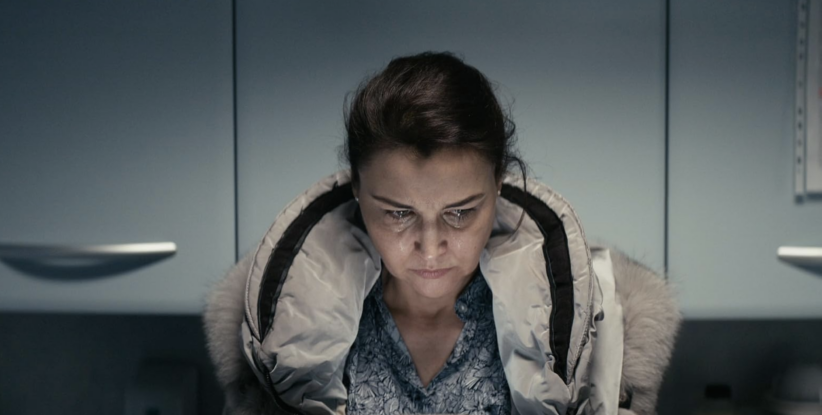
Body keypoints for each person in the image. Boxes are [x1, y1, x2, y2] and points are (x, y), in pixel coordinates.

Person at [204, 52, 681, 415]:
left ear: (498, 184)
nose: (430, 248)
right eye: (398, 213)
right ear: (357, 190)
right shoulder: (281, 336)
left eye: (460, 213)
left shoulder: (594, 331)